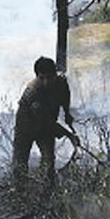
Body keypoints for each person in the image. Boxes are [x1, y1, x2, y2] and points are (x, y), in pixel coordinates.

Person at [12, 56, 79, 189]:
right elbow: (46, 122)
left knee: (49, 160)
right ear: (37, 76)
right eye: (42, 78)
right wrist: (69, 135)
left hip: (46, 124)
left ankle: (48, 191)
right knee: (19, 164)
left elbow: (65, 95)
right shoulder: (32, 92)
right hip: (26, 126)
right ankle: (18, 191)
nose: (46, 82)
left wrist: (67, 113)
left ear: (55, 74)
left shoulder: (61, 82)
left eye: (49, 77)